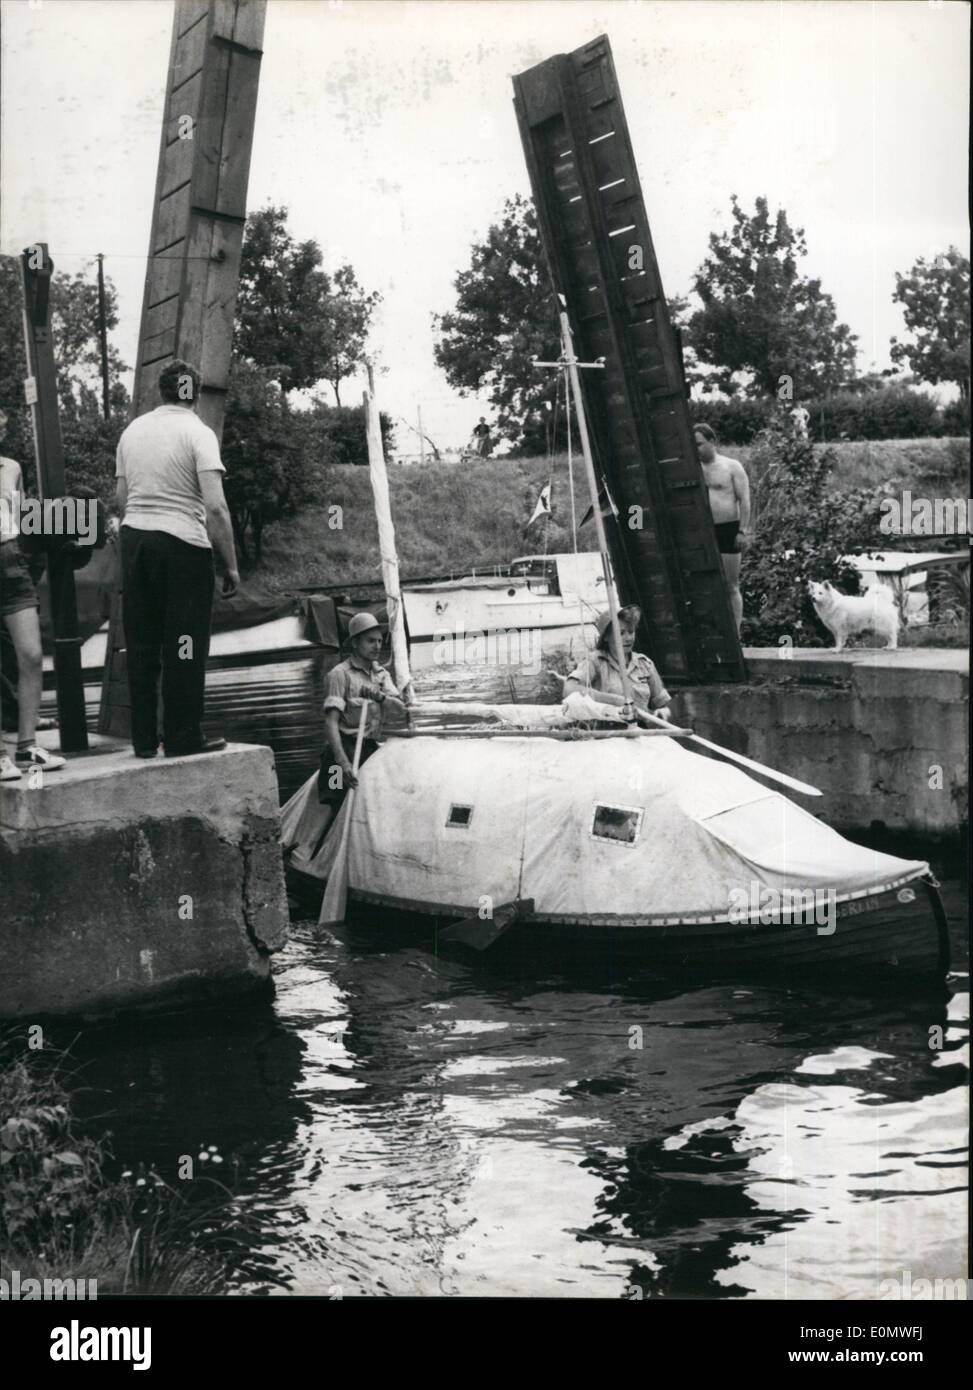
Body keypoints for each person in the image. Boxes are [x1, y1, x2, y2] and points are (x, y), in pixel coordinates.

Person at [115, 359, 240, 759]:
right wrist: (231, 564)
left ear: (161, 391)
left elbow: (121, 499)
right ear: (195, 394)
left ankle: (144, 740)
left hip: (135, 542)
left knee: (142, 643)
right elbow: (216, 507)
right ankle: (183, 735)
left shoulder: (132, 432)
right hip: (182, 546)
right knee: (184, 642)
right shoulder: (198, 433)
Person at [0, 408, 66, 781]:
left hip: (10, 560)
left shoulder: (11, 467)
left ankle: (26, 748)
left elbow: (23, 516)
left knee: (31, 653)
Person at [319, 612, 408, 807]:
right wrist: (342, 763)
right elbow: (331, 722)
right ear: (355, 643)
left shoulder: (381, 675)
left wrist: (380, 697)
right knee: (335, 800)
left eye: (379, 641)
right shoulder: (339, 675)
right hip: (339, 751)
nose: (377, 646)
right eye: (370, 641)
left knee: (375, 802)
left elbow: (401, 712)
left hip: (368, 749)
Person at [563, 605, 672, 725]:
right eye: (621, 633)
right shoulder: (595, 661)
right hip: (607, 735)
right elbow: (569, 690)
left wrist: (662, 712)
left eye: (631, 632)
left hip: (640, 733)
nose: (628, 638)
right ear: (606, 637)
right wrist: (614, 700)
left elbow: (660, 704)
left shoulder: (644, 664)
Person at [694, 423, 751, 634]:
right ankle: (714, 632)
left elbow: (744, 500)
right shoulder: (693, 469)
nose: (696, 449)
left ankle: (735, 633)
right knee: (706, 585)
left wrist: (743, 530)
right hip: (703, 531)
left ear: (712, 441)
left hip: (728, 529)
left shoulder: (731, 466)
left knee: (731, 585)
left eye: (699, 444)